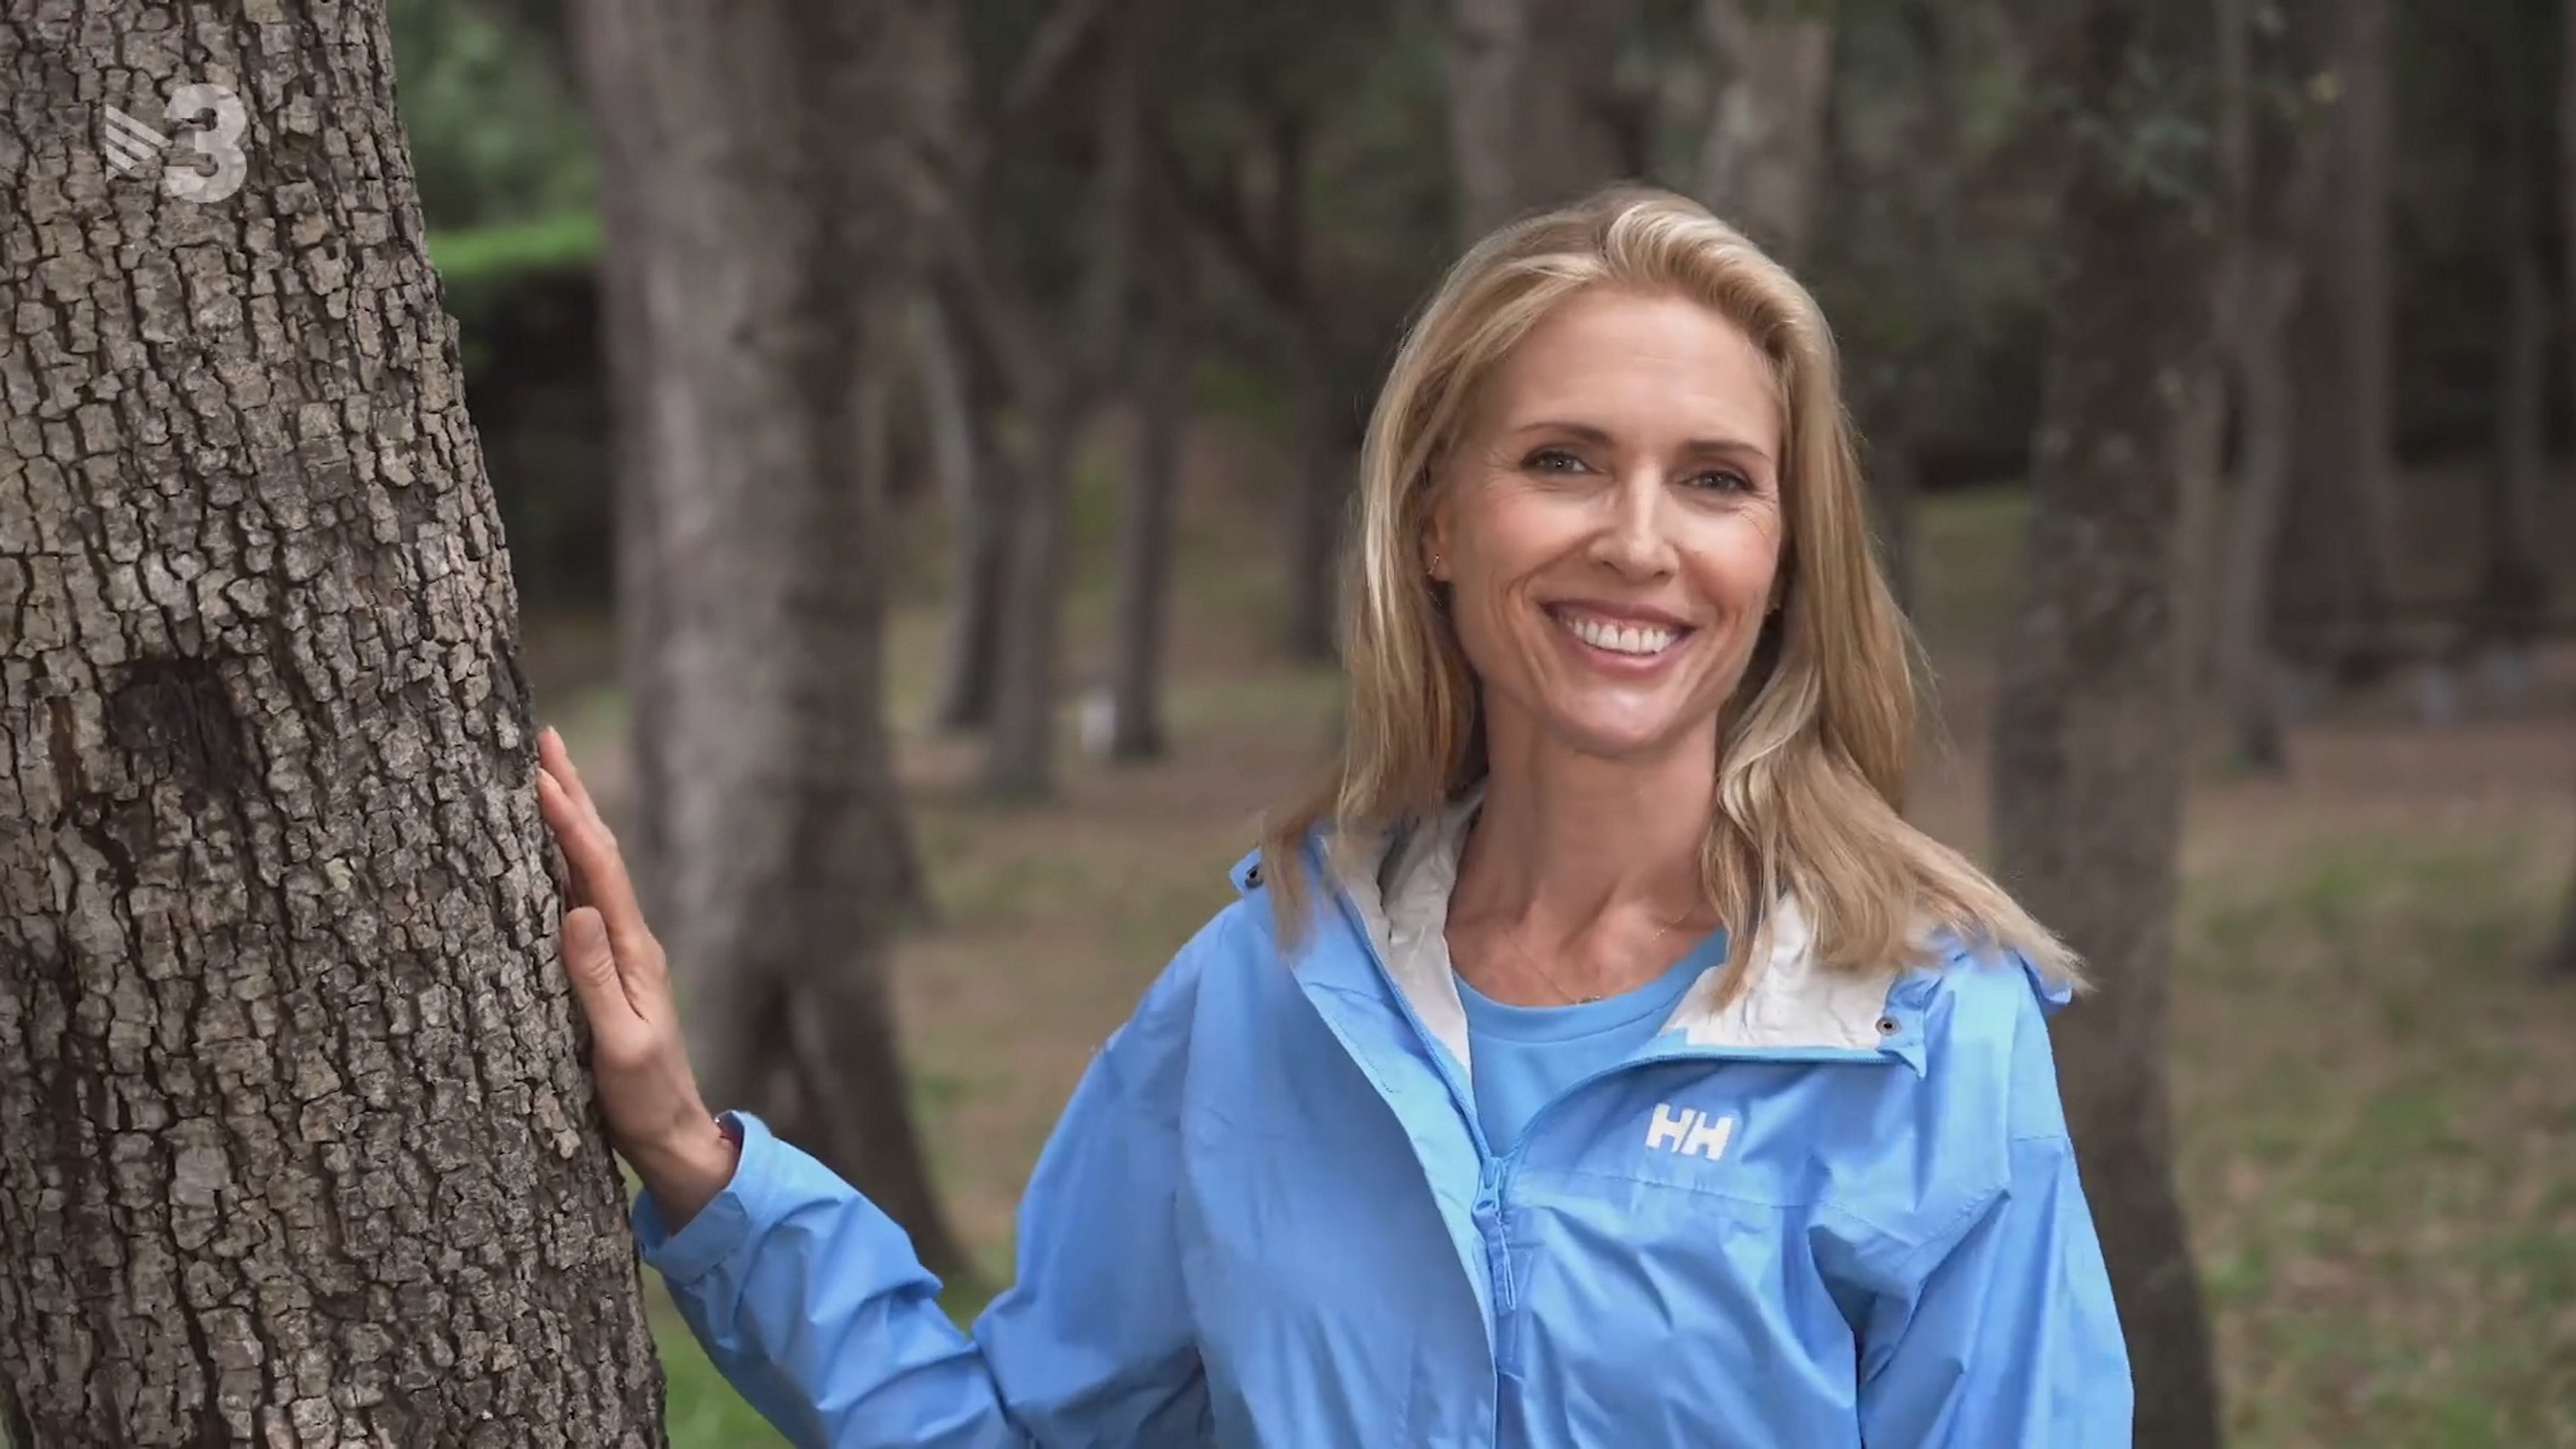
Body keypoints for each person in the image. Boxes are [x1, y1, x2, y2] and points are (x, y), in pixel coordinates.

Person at [534, 186, 2132, 1448]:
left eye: (1715, 480)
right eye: (1563, 461)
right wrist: (692, 1156)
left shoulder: (1920, 1030)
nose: (1639, 542)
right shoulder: (1265, 991)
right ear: (1437, 520)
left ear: (1782, 553)